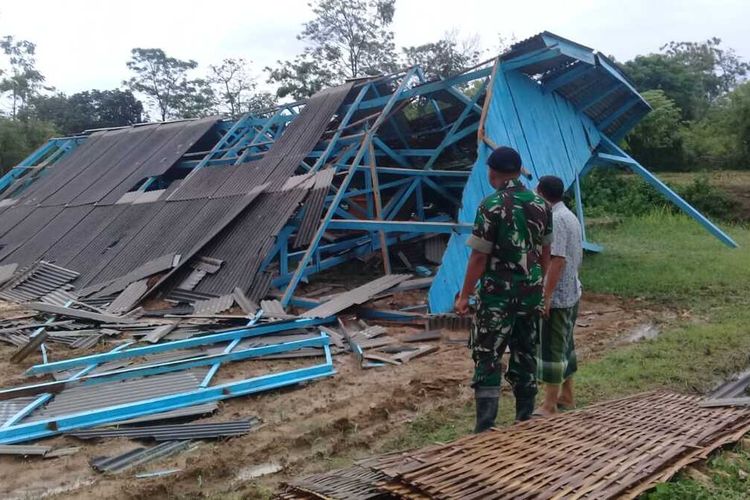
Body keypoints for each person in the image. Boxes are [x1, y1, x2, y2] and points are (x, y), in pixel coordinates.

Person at [455, 146, 552, 432]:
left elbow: (479, 256)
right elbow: (546, 252)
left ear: (493, 172)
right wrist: (537, 284)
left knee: (488, 356)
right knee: (525, 353)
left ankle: (485, 429)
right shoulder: (541, 204)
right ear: (518, 170)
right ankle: (524, 420)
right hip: (530, 295)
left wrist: (464, 295)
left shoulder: (490, 205)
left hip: (497, 298)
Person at [535, 175, 582, 417]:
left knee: (552, 349)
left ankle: (549, 405)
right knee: (565, 346)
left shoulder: (555, 218)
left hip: (560, 296)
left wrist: (546, 296)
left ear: (541, 194)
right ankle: (567, 395)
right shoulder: (570, 215)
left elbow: (557, 259)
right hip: (572, 291)